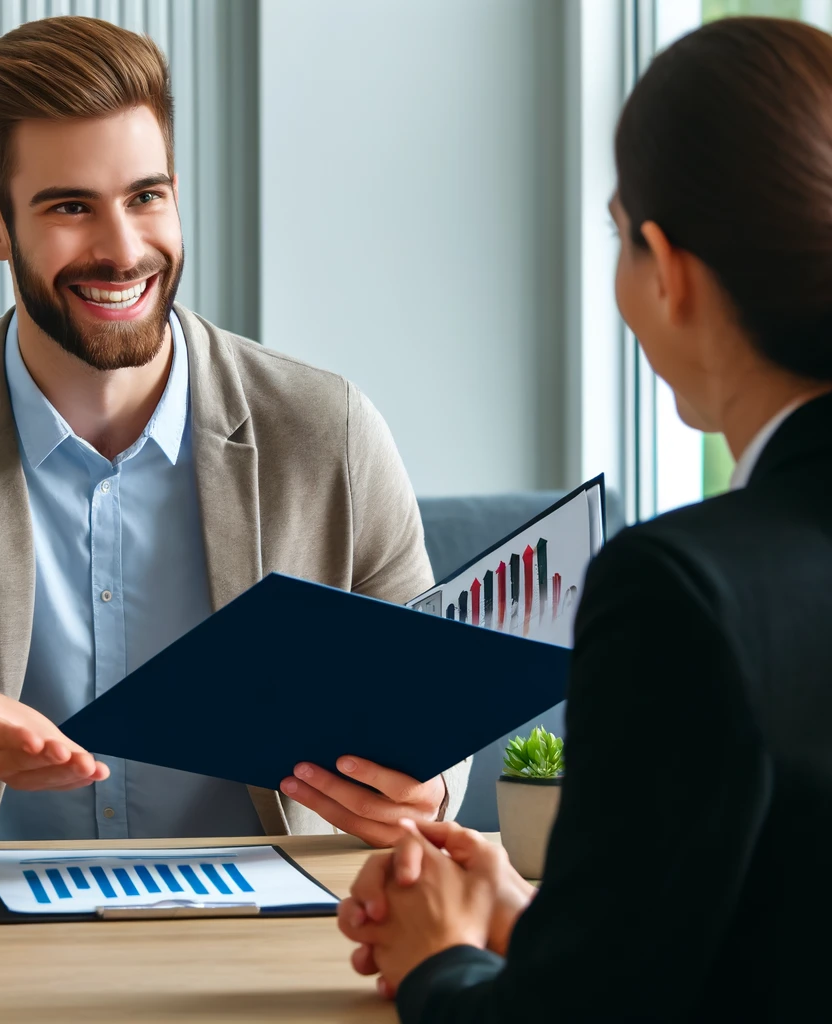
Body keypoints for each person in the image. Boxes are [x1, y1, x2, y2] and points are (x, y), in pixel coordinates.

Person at [0, 16, 470, 848]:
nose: (123, 251)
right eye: (71, 207)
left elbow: (431, 724)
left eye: (145, 197)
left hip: (279, 927)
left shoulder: (328, 431)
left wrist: (424, 789)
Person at [338, 16, 832, 1022]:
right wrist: (532, 919)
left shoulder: (684, 589)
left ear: (667, 268)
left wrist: (441, 959)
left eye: (619, 236)